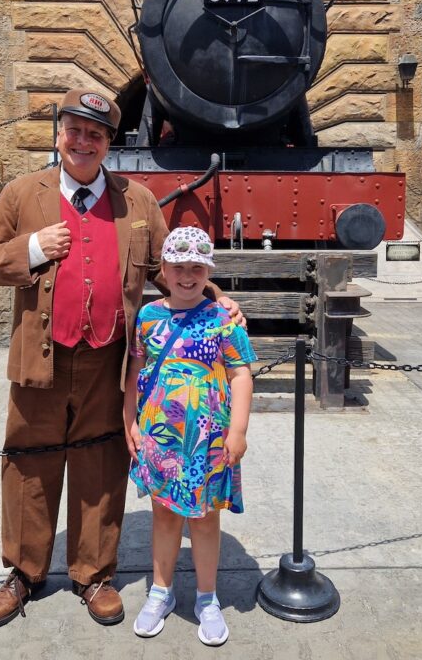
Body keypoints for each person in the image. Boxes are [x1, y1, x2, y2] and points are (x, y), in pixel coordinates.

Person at [0, 89, 240, 629]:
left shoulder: (136, 201)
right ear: (59, 133)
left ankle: (93, 573)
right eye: (75, 130)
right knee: (29, 464)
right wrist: (34, 248)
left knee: (99, 464)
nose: (83, 142)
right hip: (41, 359)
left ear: (109, 143)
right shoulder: (24, 194)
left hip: (108, 361)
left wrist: (214, 298)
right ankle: (24, 572)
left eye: (96, 134)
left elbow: (170, 270)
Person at [123, 227, 255, 647]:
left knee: (204, 518)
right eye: (178, 267)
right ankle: (161, 591)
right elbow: (135, 373)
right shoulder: (148, 317)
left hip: (209, 440)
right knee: (165, 515)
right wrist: (130, 420)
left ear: (209, 271)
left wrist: (238, 430)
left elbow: (240, 374)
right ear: (163, 269)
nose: (187, 276)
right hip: (160, 438)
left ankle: (207, 597)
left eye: (197, 268)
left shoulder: (222, 317)